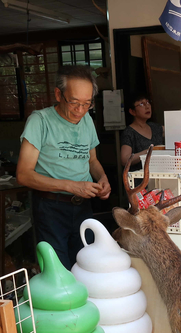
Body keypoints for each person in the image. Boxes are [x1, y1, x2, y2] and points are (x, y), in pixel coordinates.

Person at [17, 65, 111, 270]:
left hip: (83, 207)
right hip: (51, 208)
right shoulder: (39, 121)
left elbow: (92, 160)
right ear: (58, 94)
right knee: (57, 271)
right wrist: (72, 186)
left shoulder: (86, 120)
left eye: (87, 104)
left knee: (86, 265)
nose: (80, 110)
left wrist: (102, 178)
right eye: (74, 102)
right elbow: (24, 175)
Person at [120, 94, 165, 172]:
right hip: (139, 179)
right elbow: (124, 160)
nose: (147, 107)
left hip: (159, 176)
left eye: (147, 102)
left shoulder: (155, 127)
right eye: (141, 104)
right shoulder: (129, 132)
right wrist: (149, 151)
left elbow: (172, 129)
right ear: (132, 111)